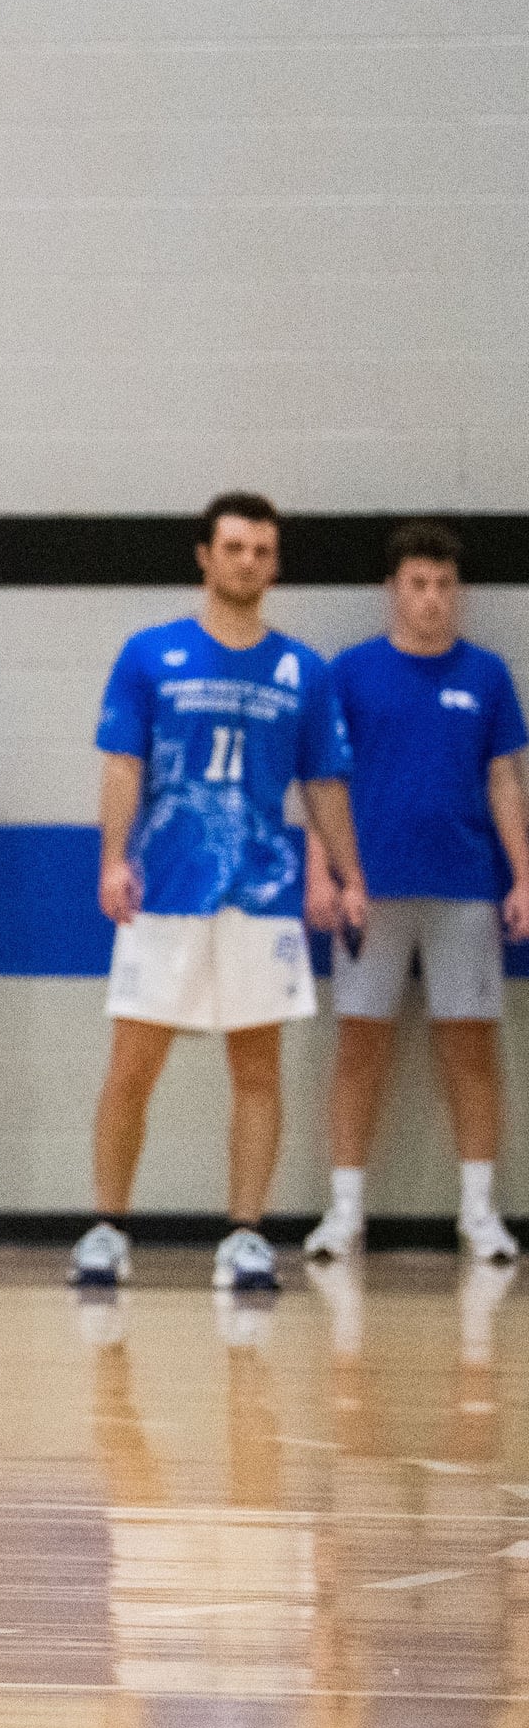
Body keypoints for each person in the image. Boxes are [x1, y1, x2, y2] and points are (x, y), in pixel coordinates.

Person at [72, 493, 365, 1300]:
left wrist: (349, 872)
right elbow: (123, 765)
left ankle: (244, 1237)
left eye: (262, 550)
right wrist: (111, 860)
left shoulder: (302, 669)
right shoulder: (150, 654)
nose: (247, 561)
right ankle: (106, 1227)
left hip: (262, 893)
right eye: (234, 546)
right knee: (131, 1066)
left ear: (274, 563)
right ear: (204, 555)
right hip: (165, 889)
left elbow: (324, 782)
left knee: (257, 1071)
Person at [307, 522, 527, 1266]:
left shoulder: (488, 675)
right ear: (393, 589)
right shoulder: (351, 672)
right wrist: (321, 876)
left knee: (470, 1047)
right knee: (359, 1044)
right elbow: (322, 783)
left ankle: (478, 1212)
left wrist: (523, 876)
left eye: (443, 585)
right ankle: (344, 1215)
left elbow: (503, 781)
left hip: (465, 887)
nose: (431, 599)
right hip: (368, 890)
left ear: (455, 592)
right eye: (417, 584)